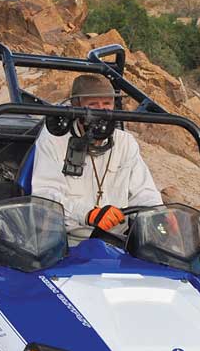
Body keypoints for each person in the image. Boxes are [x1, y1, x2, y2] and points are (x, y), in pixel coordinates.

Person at [30, 73, 160, 233]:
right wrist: (88, 214)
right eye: (93, 104)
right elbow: (45, 195)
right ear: (76, 105)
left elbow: (144, 192)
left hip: (117, 242)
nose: (102, 111)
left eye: (107, 103)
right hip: (68, 240)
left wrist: (158, 214)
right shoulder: (54, 140)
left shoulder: (126, 143)